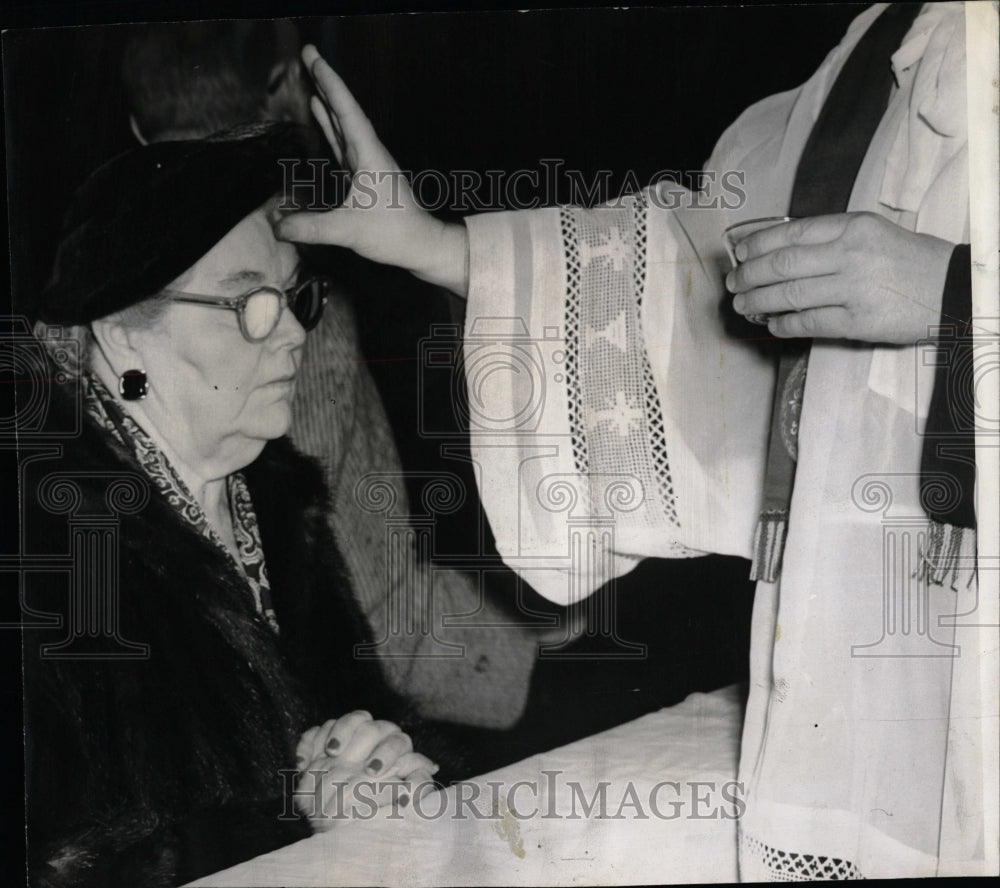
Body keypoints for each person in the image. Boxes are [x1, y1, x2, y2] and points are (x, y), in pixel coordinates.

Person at [274, 3, 991, 879]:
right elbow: (701, 275)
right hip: (874, 646)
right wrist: (438, 246)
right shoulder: (890, 40)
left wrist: (957, 291)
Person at [21, 124, 461, 888]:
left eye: (292, 295)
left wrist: (385, 761)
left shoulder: (278, 495)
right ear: (123, 332)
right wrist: (299, 831)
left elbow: (369, 720)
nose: (293, 332)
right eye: (248, 303)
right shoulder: (49, 548)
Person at [120, 21, 556, 731]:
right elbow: (376, 609)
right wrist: (551, 662)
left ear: (139, 129)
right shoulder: (301, 315)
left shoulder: (82, 307)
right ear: (288, 87)